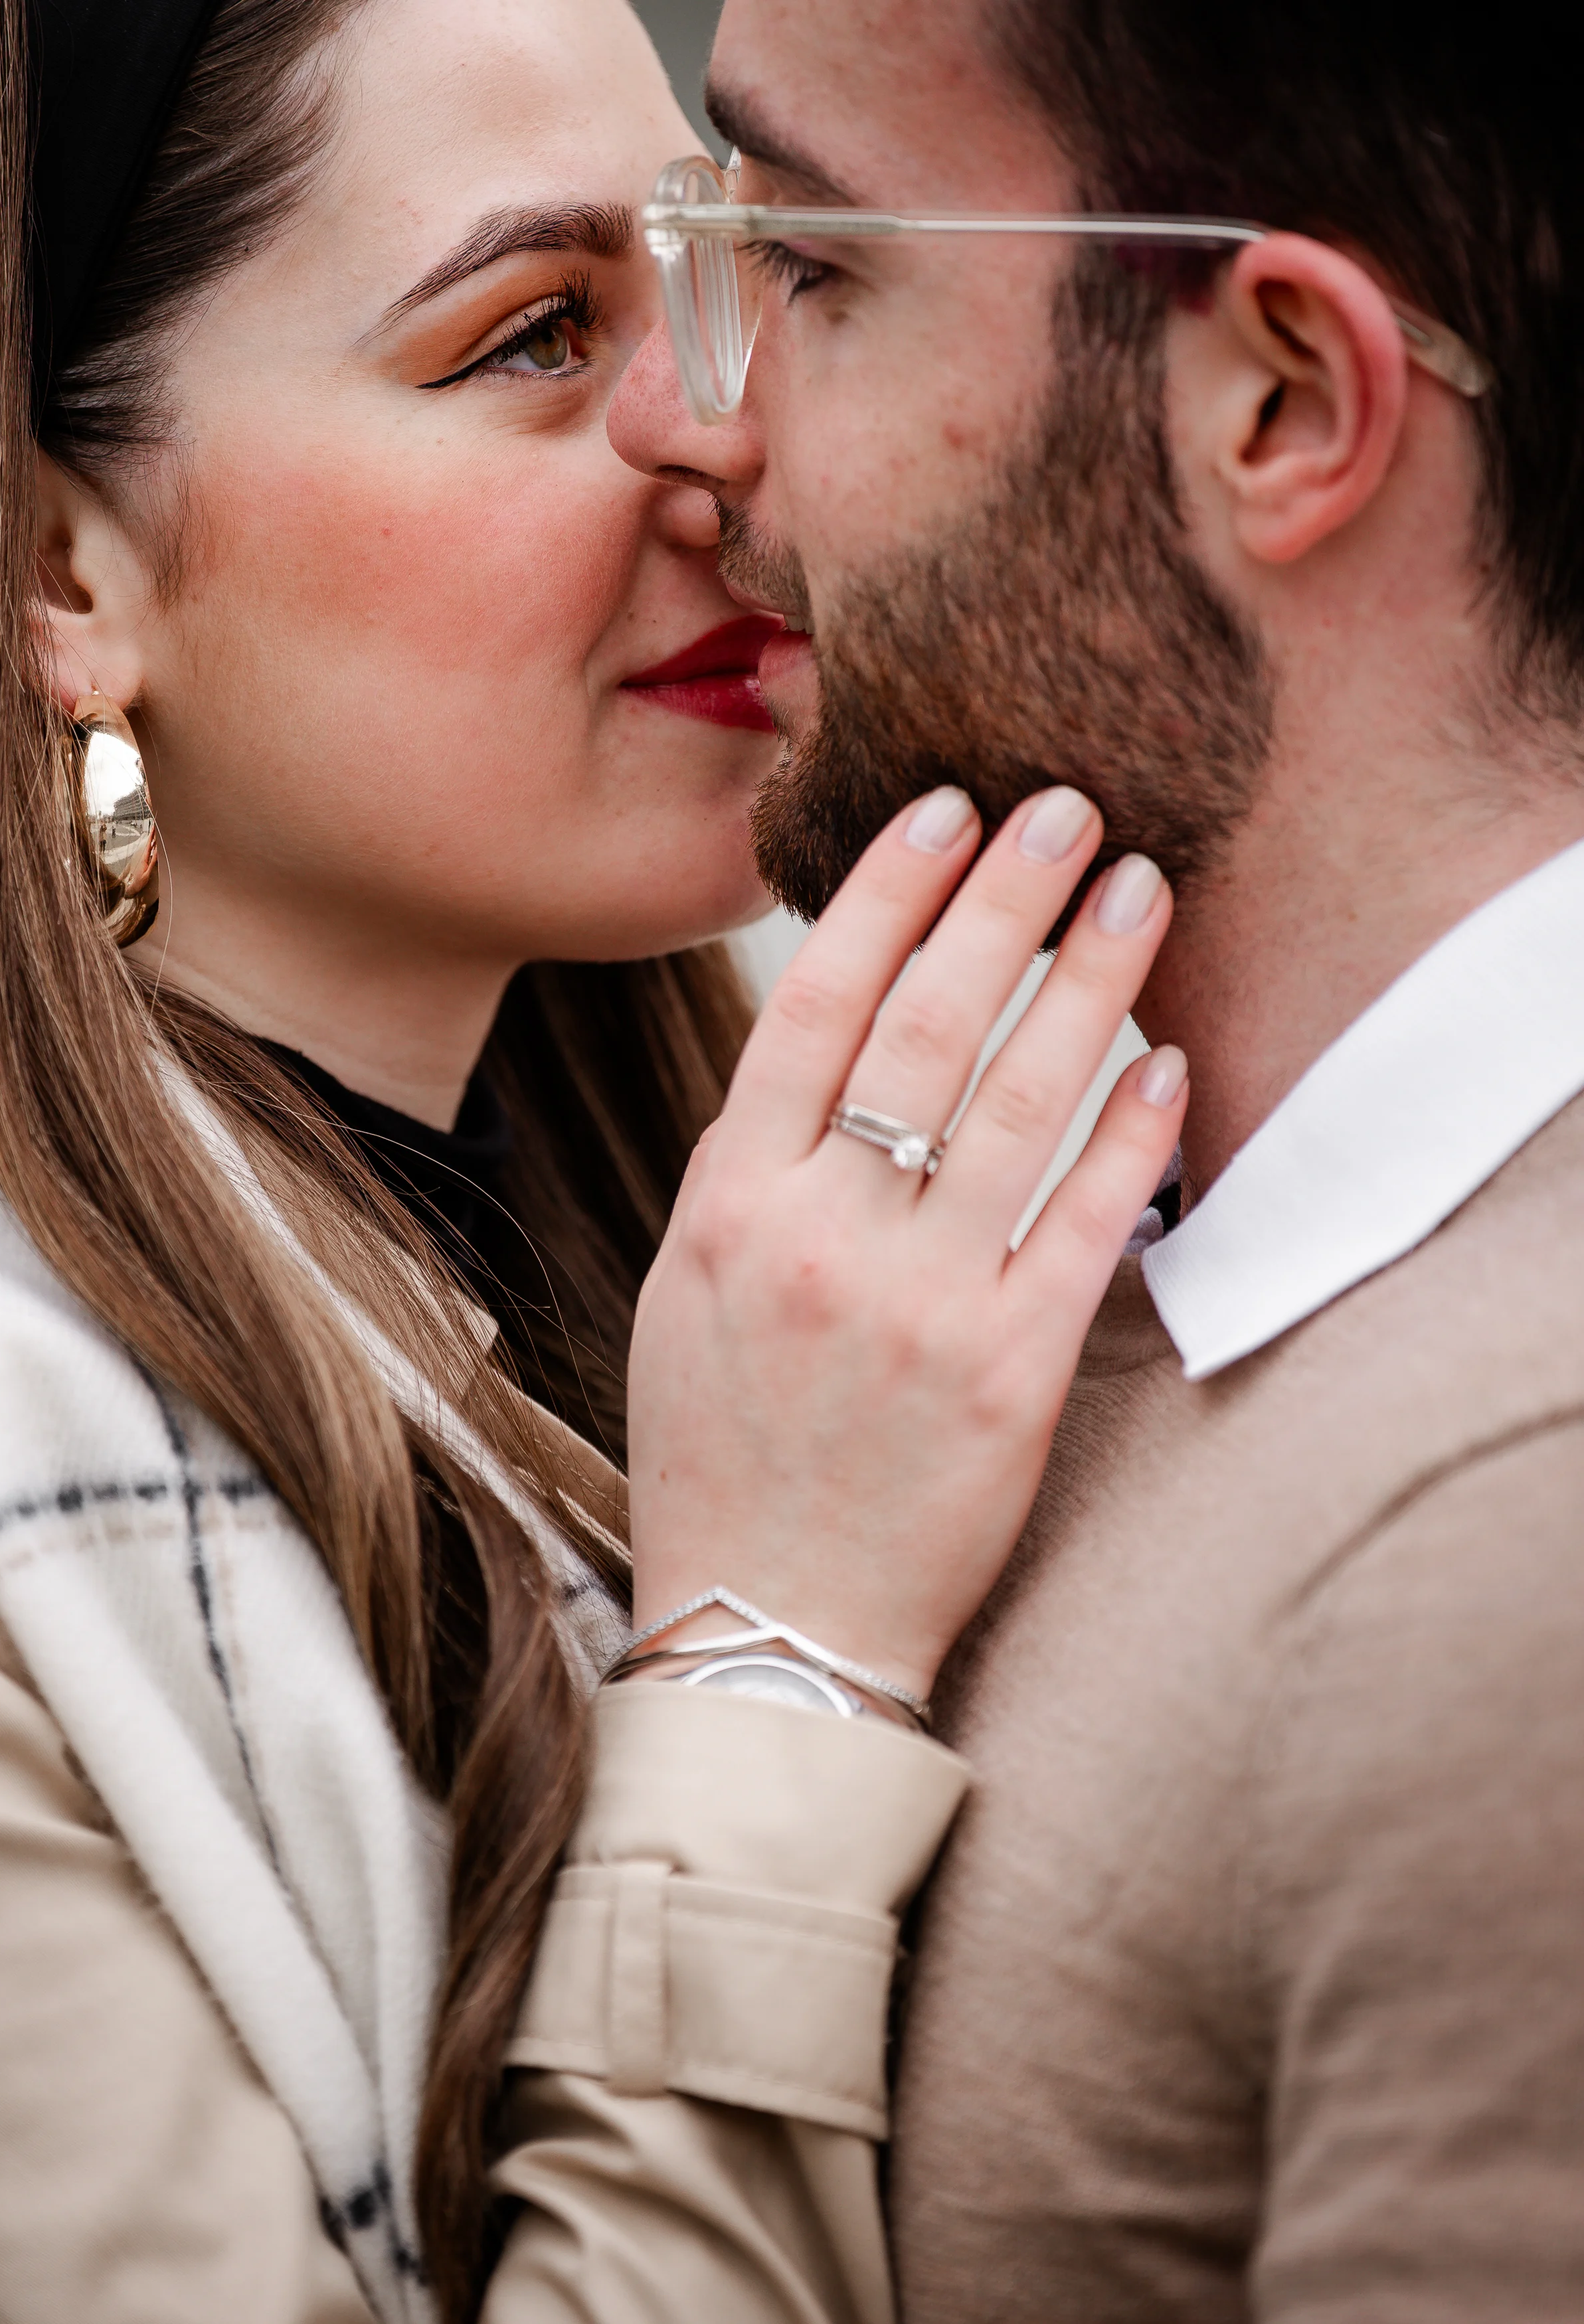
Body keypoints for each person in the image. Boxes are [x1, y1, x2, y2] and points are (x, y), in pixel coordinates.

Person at [0, 0, 1185, 2318]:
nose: (728, 419)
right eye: (532, 332)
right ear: (55, 567)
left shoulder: (778, 1175)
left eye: (738, 258)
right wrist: (780, 1653)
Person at [610, 0, 1584, 2315]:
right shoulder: (1023, 1280)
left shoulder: (1517, 1560)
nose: (679, 410)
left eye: (819, 264)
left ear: (1283, 403)